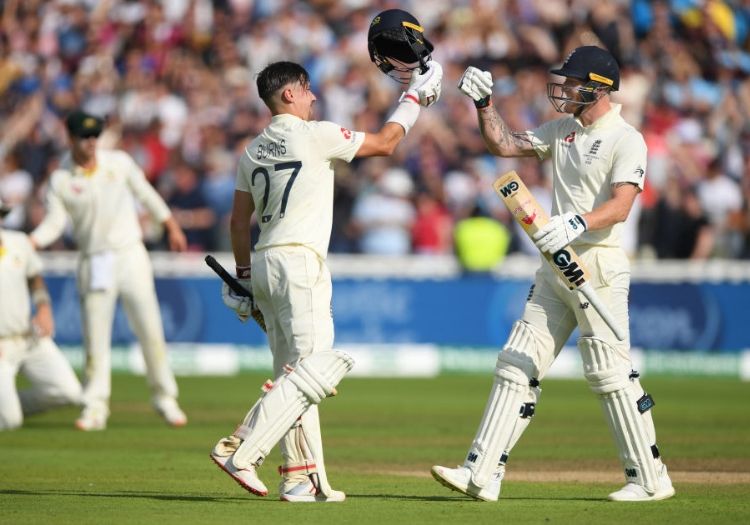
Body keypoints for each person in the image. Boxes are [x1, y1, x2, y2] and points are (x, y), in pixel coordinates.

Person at [210, 19, 443, 502]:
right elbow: (386, 143)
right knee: (316, 368)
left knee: (295, 376)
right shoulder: (316, 134)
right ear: (290, 93)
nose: (314, 97)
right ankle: (241, 448)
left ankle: (300, 478)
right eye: (307, 90)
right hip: (300, 261)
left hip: (265, 261)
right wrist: (416, 97)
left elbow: (237, 221)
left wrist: (244, 277)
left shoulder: (251, 151)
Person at [431, 46, 675, 502]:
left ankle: (650, 478)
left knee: (609, 373)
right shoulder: (563, 129)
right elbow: (505, 145)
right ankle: (481, 473)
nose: (564, 90)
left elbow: (621, 206)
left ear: (598, 88)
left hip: (598, 264)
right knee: (517, 362)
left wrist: (577, 222)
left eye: (573, 82)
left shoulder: (626, 138)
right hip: (554, 264)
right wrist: (484, 104)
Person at [30, 110, 189, 431]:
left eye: (95, 136)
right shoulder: (61, 179)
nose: (91, 142)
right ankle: (95, 406)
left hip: (130, 254)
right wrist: (32, 241)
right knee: (95, 337)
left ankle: (165, 397)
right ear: (70, 138)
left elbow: (146, 194)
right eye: (84, 137)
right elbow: (55, 222)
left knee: (150, 328)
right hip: (94, 260)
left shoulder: (118, 163)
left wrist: (171, 225)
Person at [0, 198, 83, 430]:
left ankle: (9, 404)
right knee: (10, 420)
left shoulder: (18, 242)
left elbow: (34, 278)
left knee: (69, 392)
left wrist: (44, 308)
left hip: (28, 336)